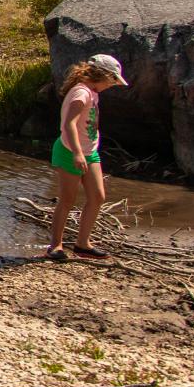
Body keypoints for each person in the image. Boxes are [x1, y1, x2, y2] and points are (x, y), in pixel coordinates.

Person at [47, 53, 129, 261]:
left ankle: (83, 244)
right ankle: (55, 246)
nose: (112, 86)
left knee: (98, 196)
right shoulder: (81, 94)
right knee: (67, 199)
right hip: (70, 151)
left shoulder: (93, 93)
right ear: (103, 76)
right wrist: (76, 153)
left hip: (89, 152)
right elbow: (69, 124)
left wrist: (85, 151)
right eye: (112, 81)